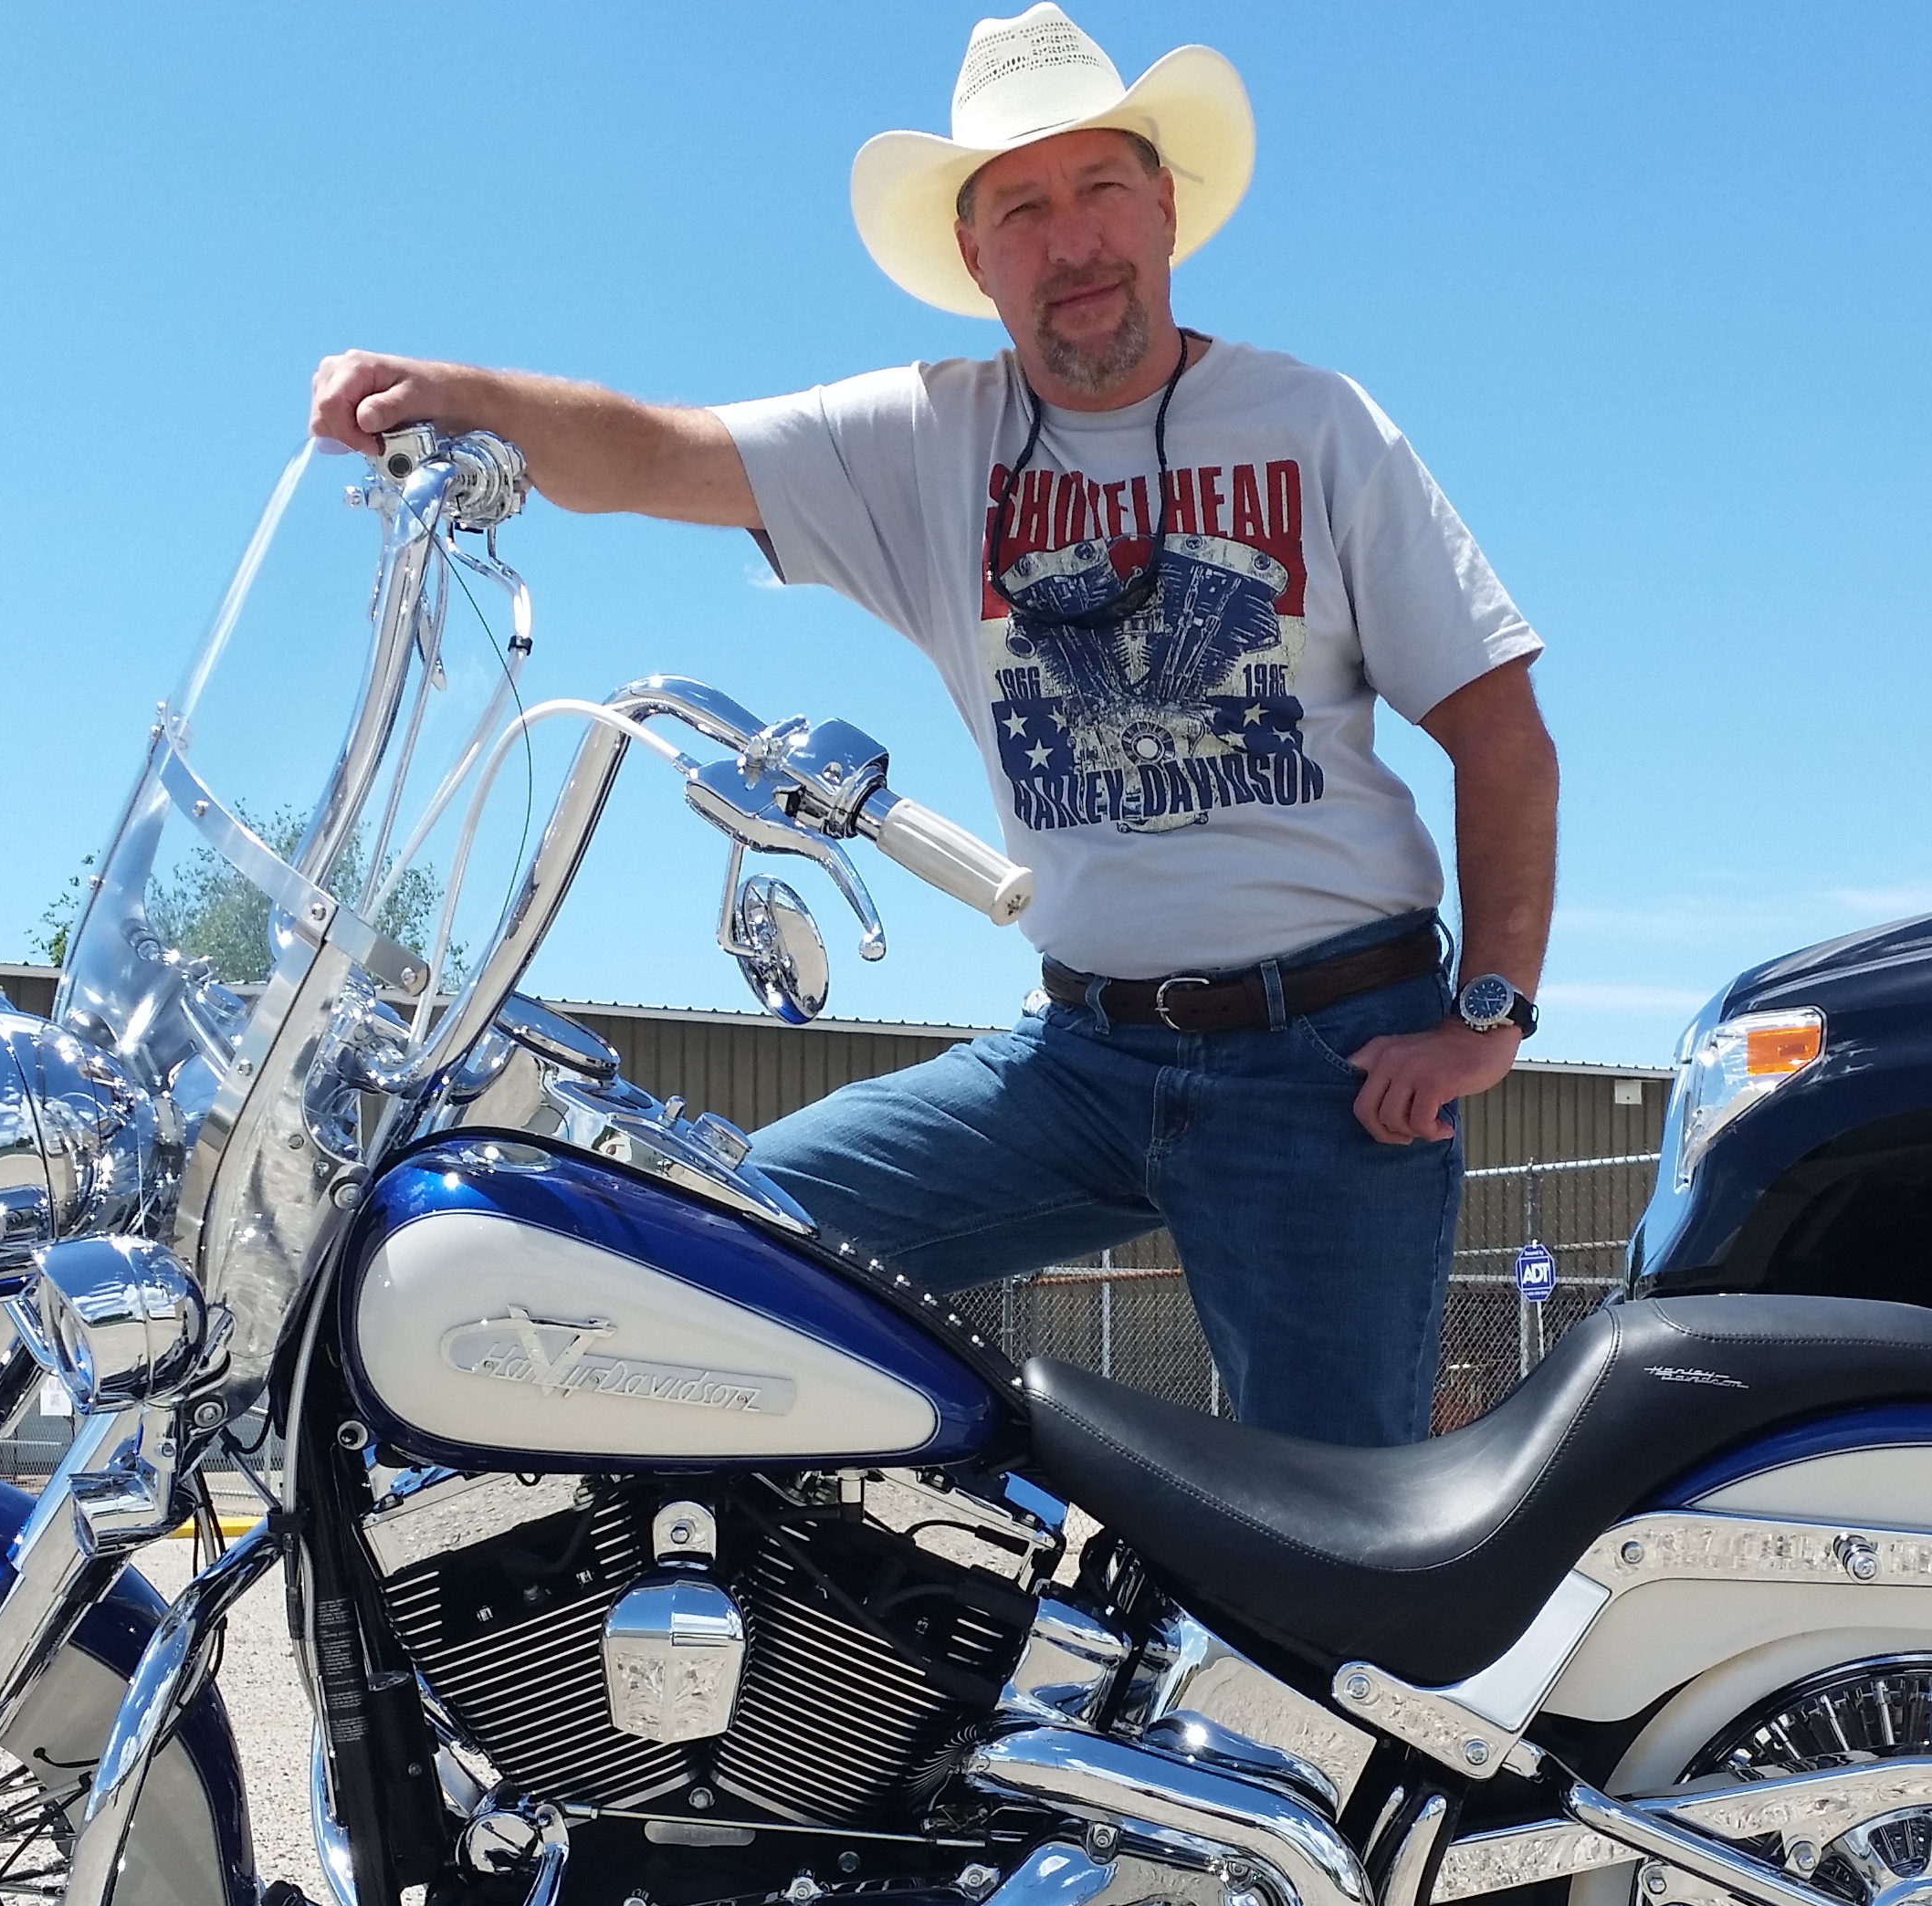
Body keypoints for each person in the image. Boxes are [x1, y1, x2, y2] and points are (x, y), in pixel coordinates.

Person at [310, 5, 1555, 1446]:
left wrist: (1492, 1016)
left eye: (1100, 189)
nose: (1072, 239)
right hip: (1083, 1055)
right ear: (976, 257)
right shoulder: (924, 440)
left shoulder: (1316, 426)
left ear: (1165, 209)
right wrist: (459, 399)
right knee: (715, 1244)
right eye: (1022, 207)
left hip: (1331, 1052)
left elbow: (1501, 727)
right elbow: (659, 451)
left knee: (1337, 1550)